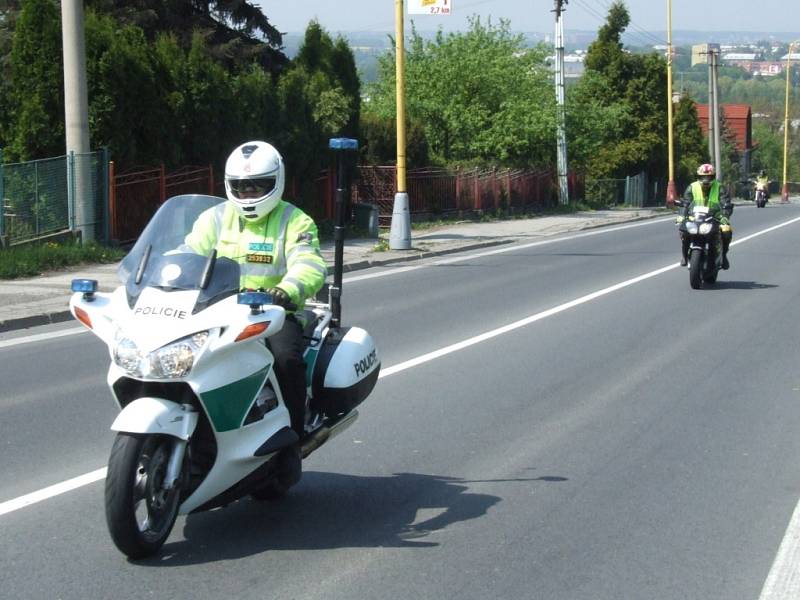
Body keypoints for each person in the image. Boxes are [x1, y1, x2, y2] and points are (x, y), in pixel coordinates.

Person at [184, 141, 327, 438]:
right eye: (240, 186)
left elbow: (309, 264)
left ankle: (294, 436)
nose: (247, 194)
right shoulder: (214, 218)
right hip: (216, 310)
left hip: (274, 312)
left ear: (276, 182)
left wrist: (286, 291)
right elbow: (187, 255)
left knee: (286, 359)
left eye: (257, 186)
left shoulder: (295, 220)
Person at [677, 163, 733, 269]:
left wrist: (725, 215)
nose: (706, 179)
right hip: (695, 216)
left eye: (709, 177)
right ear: (698, 177)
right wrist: (681, 216)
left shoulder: (720, 187)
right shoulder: (692, 187)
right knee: (683, 230)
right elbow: (685, 203)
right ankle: (684, 256)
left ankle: (724, 256)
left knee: (726, 231)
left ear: (713, 177)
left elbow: (726, 202)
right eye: (703, 177)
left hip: (715, 216)